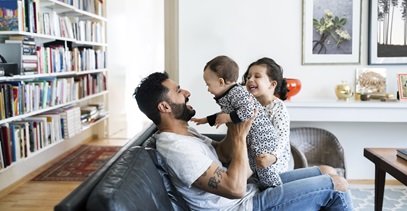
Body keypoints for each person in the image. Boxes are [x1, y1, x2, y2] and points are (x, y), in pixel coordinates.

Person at [133, 71, 354, 210]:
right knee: (337, 186)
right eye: (179, 91)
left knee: (327, 170)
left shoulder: (187, 133)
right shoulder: (176, 148)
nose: (187, 92)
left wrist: (234, 122)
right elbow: (236, 188)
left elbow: (222, 155)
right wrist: (239, 138)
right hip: (244, 204)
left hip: (253, 191)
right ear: (164, 107)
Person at [191, 55, 281, 188]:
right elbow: (226, 113)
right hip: (252, 138)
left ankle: (275, 188)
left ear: (221, 82)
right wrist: (205, 120)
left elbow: (248, 111)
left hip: (262, 138)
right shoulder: (228, 94)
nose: (208, 89)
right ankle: (262, 186)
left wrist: (227, 118)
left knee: (263, 167)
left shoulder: (237, 92)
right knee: (252, 166)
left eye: (208, 85)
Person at [241, 57, 291, 173]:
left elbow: (282, 138)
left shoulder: (278, 108)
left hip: (274, 166)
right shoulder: (247, 105)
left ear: (272, 84)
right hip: (251, 163)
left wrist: (273, 157)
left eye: (257, 76)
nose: (250, 79)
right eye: (248, 77)